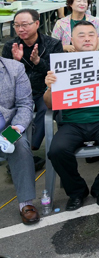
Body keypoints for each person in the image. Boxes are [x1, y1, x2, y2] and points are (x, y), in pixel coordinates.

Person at [44, 21, 99, 210]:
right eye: (81, 35)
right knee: (56, 151)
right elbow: (49, 104)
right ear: (72, 41)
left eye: (91, 34)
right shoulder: (62, 65)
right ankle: (77, 191)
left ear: (98, 38)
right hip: (72, 123)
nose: (87, 39)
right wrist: (51, 87)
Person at [2, 9, 63, 152]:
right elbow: (4, 76)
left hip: (42, 90)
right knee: (10, 112)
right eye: (16, 25)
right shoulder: (10, 46)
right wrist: (15, 62)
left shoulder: (53, 44)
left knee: (47, 107)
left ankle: (28, 147)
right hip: (18, 94)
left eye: (24, 25)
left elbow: (57, 73)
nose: (20, 29)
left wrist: (37, 61)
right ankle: (8, 145)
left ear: (37, 23)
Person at [0, 55, 39, 224]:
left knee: (20, 144)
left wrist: (18, 127)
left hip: (8, 127)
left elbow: (25, 104)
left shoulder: (14, 68)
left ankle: (26, 203)